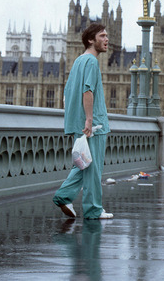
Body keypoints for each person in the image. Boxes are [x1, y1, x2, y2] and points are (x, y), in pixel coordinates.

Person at [53, 23, 113, 220]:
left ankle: (63, 196)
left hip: (79, 122)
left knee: (84, 163)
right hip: (93, 124)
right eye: (102, 36)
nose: (106, 40)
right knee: (93, 168)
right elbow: (88, 91)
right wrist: (89, 119)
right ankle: (93, 209)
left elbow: (69, 92)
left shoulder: (78, 61)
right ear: (90, 40)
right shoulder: (92, 62)